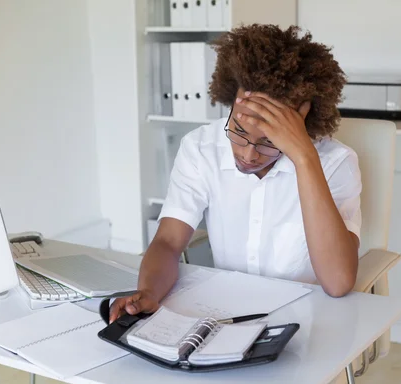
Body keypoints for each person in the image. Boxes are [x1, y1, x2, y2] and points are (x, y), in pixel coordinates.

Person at [110, 23, 361, 324]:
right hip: (226, 316)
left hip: (309, 320)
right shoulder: (201, 148)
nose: (248, 154)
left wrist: (304, 158)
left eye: (269, 142)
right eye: (238, 131)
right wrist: (149, 292)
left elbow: (338, 282)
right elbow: (167, 242)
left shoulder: (336, 163)